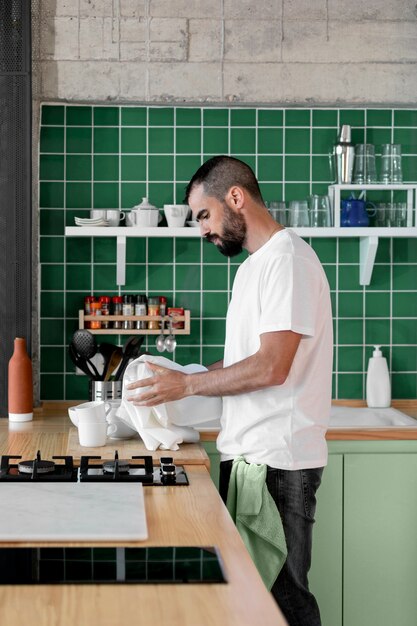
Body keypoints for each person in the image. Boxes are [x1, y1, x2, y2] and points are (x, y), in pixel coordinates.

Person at [127, 155, 333, 626]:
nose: (201, 230)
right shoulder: (253, 268)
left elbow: (271, 367)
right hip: (249, 460)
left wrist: (188, 383)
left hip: (280, 465)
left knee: (285, 604)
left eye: (204, 214)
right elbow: (246, 360)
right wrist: (178, 382)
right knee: (250, 603)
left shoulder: (290, 261)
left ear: (235, 197)